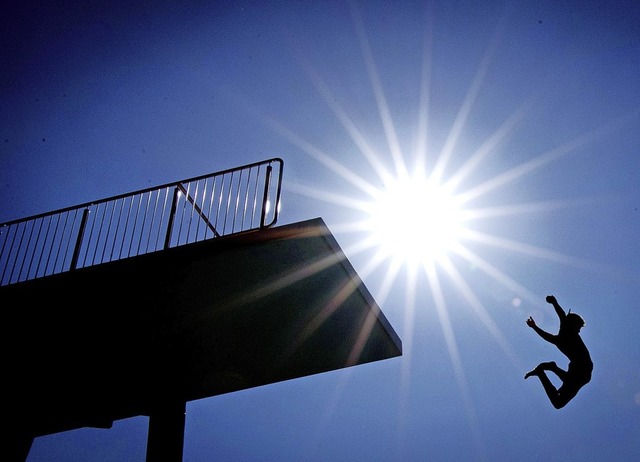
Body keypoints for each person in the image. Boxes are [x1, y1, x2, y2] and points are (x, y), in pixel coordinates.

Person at [524, 295, 593, 409]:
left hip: (580, 371)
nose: (579, 331)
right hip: (582, 371)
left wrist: (534, 327)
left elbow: (547, 336)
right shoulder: (569, 330)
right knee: (558, 403)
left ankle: (550, 368)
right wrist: (554, 303)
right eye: (579, 327)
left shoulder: (559, 340)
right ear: (573, 324)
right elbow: (562, 315)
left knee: (559, 401)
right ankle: (547, 369)